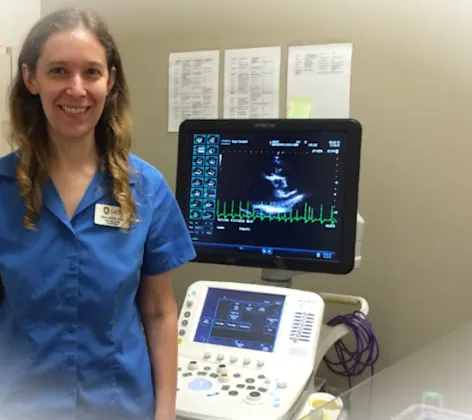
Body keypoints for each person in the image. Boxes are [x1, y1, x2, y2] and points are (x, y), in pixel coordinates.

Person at [0, 7, 195, 420]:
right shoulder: (2, 188)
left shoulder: (146, 189)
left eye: (91, 72)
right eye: (58, 71)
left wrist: (166, 414)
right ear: (31, 79)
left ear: (110, 80)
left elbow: (159, 311)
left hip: (121, 405)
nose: (76, 88)